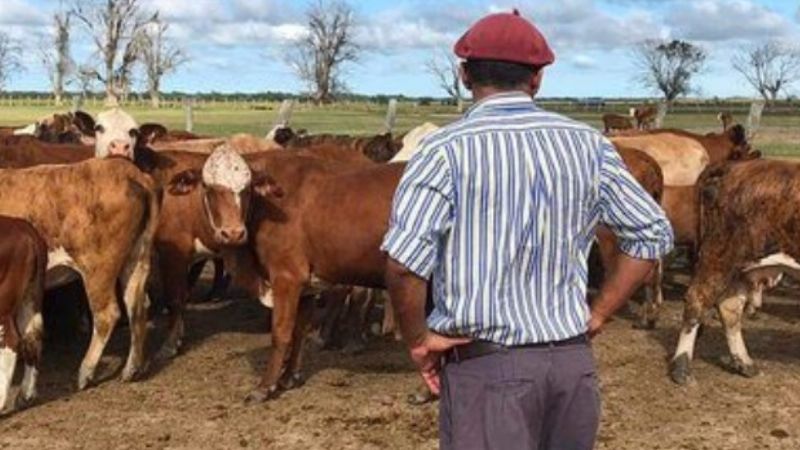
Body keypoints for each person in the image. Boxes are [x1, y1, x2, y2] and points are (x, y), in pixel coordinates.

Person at [381, 9, 674, 450]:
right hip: (572, 366)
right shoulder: (588, 145)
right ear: (537, 79)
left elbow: (404, 264)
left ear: (464, 75)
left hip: (486, 367)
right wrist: (599, 312)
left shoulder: (443, 151)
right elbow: (650, 233)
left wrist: (418, 341)